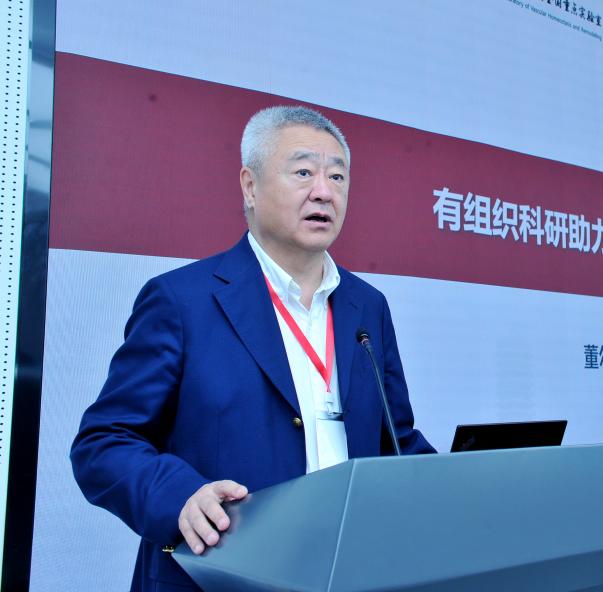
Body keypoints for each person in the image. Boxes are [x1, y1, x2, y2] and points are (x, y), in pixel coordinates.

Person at [71, 105, 435, 592]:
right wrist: (179, 496)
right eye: (303, 172)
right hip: (218, 575)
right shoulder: (182, 301)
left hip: (348, 573)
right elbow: (103, 442)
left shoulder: (367, 306)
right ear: (250, 186)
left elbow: (396, 442)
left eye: (337, 176)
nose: (323, 191)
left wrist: (469, 485)